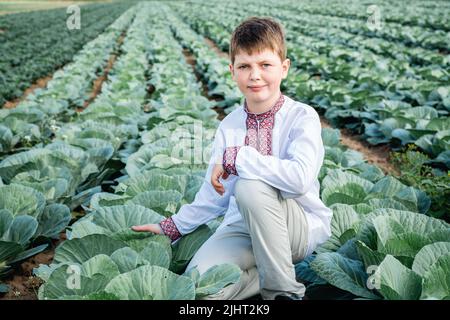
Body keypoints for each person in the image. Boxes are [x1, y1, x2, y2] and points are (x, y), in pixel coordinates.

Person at [132, 16, 332, 300]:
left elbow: (299, 180)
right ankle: (264, 277)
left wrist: (239, 157)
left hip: (295, 229)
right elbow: (214, 196)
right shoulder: (230, 125)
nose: (255, 75)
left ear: (284, 68)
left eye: (265, 65)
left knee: (250, 187)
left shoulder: (302, 116)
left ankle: (284, 292)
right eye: (244, 66)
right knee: (202, 286)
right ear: (232, 71)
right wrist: (171, 227)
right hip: (243, 228)